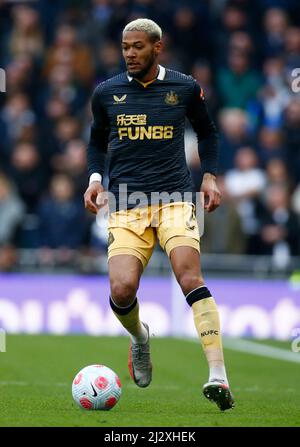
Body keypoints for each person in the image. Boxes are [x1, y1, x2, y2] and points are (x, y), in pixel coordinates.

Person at [84, 18, 234, 411]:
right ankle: (140, 339)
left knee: (189, 275)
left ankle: (218, 375)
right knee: (121, 291)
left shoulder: (184, 88)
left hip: (174, 198)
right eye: (125, 47)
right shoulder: (107, 92)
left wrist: (211, 177)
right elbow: (97, 140)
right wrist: (95, 178)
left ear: (157, 47)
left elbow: (208, 132)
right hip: (125, 202)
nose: (130, 54)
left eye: (137, 47)